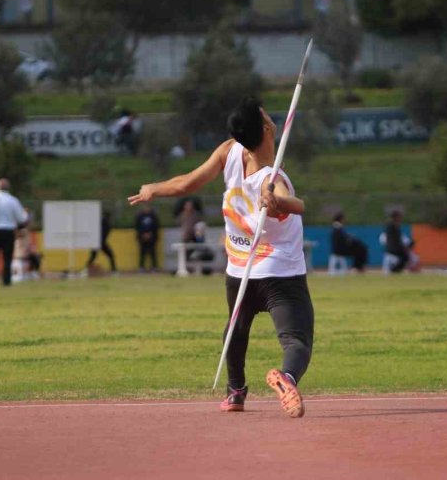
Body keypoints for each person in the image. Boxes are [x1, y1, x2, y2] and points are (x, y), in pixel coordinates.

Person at [129, 97, 313, 419]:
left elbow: (188, 183)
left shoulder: (229, 151)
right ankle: (287, 377)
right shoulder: (273, 178)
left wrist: (153, 189)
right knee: (297, 340)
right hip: (279, 271)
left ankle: (236, 392)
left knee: (236, 330)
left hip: (238, 268)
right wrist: (279, 201)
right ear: (268, 128)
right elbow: (297, 206)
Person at [85, 210, 117, 274]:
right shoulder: (106, 223)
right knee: (110, 255)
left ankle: (85, 269)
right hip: (100, 242)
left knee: (93, 256)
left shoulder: (101, 222)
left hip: (98, 241)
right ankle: (114, 270)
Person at [135, 204, 160, 272]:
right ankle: (141, 267)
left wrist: (150, 234)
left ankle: (154, 267)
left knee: (153, 252)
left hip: (152, 237)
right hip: (142, 237)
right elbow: (137, 227)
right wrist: (143, 234)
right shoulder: (140, 216)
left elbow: (156, 226)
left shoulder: (153, 216)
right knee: (142, 253)